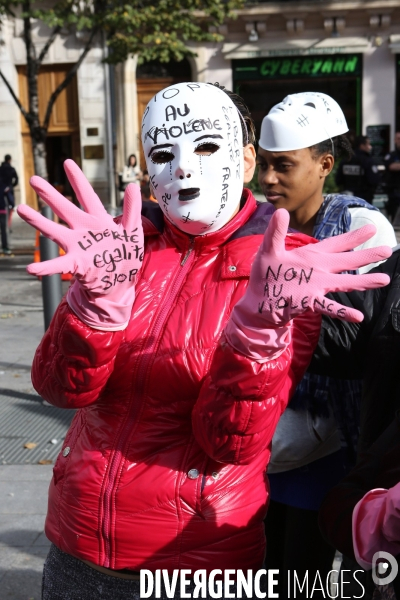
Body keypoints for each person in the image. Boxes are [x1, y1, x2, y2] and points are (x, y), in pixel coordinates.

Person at [17, 82, 390, 600]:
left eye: (207, 147)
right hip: (75, 545)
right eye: (164, 154)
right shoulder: (125, 247)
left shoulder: (284, 267)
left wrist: (258, 335)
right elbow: (60, 390)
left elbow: (230, 442)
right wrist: (94, 305)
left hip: (194, 561)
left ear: (245, 158)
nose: (185, 169)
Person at [255, 92, 396, 598]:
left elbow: (372, 340)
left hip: (336, 450)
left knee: (302, 578)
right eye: (264, 165)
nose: (268, 178)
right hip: (264, 447)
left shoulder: (362, 228)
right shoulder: (259, 226)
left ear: (324, 164)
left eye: (283, 166)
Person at [336, 135, 381, 204]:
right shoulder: (367, 161)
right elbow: (374, 180)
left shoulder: (346, 160)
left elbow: (338, 180)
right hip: (364, 199)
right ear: (362, 145)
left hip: (347, 198)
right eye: (368, 144)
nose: (370, 147)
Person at [384, 132, 400, 223]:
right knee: (394, 214)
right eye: (398, 138)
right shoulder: (391, 155)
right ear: (395, 140)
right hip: (394, 190)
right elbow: (391, 166)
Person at [0, 154, 18, 233]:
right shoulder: (12, 169)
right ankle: (8, 225)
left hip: (1, 191)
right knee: (11, 207)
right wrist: (11, 186)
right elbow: (16, 179)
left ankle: (3, 226)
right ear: (10, 160)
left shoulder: (1, 169)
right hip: (9, 190)